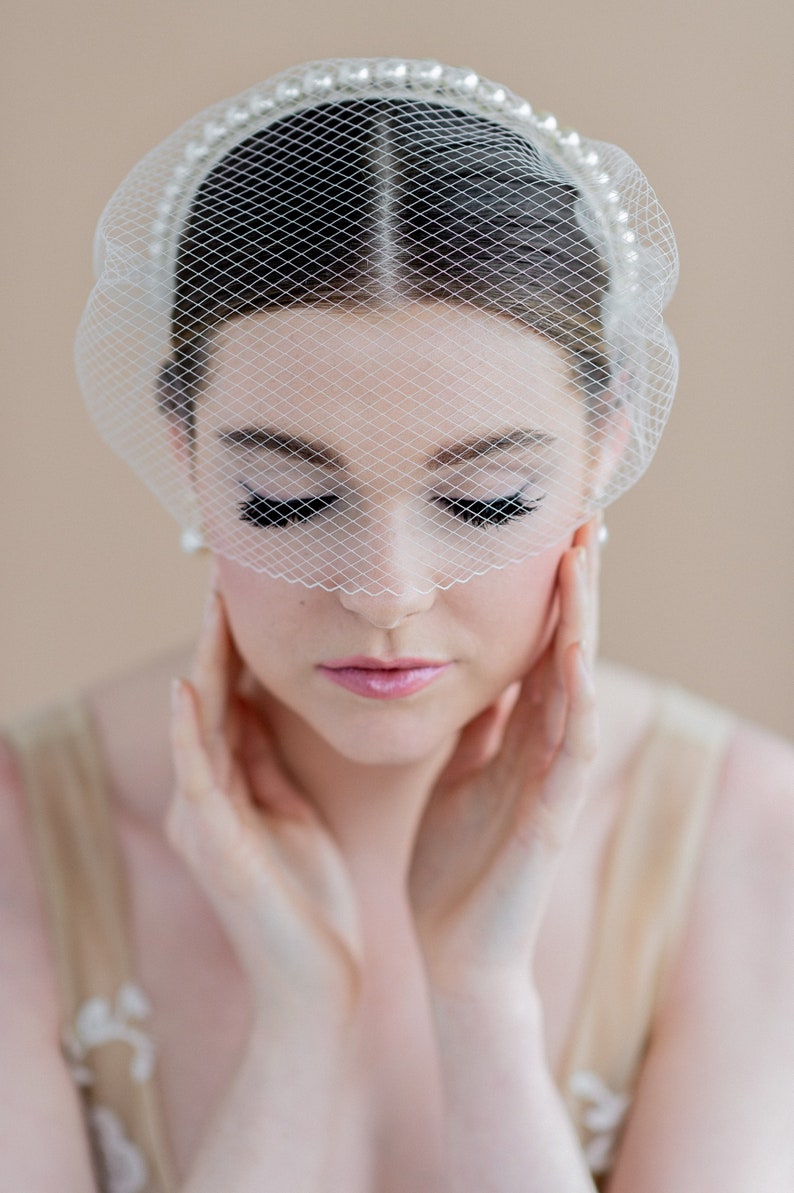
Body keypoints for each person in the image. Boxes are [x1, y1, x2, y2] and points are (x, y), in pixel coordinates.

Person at [2, 58, 792, 1193]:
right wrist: (295, 1028)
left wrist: (481, 1000)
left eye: (482, 502)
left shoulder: (751, 844)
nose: (384, 589)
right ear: (182, 447)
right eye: (286, 498)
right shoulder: (20, 845)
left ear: (604, 444)